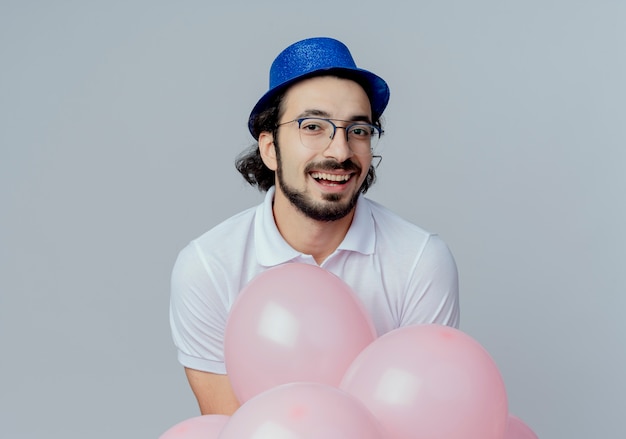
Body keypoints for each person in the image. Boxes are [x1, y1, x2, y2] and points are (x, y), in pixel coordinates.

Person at [169, 37, 460, 415]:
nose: (340, 152)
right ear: (270, 148)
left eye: (358, 130)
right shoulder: (208, 267)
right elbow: (232, 427)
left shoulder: (420, 260)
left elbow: (422, 416)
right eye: (313, 126)